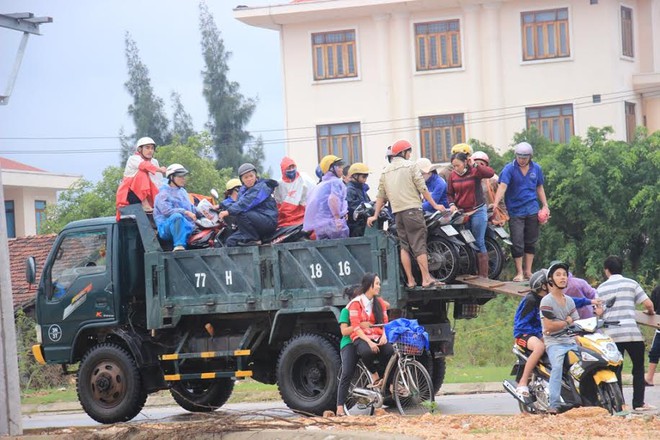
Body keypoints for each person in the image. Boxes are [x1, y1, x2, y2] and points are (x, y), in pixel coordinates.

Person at [367, 140, 445, 288]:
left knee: (405, 247)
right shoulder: (411, 166)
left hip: (398, 214)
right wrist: (435, 205)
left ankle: (410, 280)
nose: (409, 155)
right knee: (419, 244)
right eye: (408, 151)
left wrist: (375, 215)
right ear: (403, 153)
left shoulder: (385, 171)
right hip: (413, 211)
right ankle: (426, 278)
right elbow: (422, 188)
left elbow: (380, 196)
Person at [514, 268, 600, 399]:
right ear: (544, 285)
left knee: (576, 340)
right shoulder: (531, 300)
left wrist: (591, 301)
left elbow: (573, 301)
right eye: (551, 282)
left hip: (544, 332)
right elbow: (522, 324)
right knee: (539, 347)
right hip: (525, 334)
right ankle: (523, 382)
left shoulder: (553, 298)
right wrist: (540, 334)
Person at [597, 255, 656, 411]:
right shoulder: (631, 283)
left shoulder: (601, 288)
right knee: (637, 368)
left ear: (606, 270)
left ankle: (619, 404)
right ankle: (638, 403)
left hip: (611, 335)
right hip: (631, 333)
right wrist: (650, 311)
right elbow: (648, 304)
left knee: (616, 369)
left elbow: (598, 312)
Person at [492, 142, 549, 282]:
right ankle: (519, 272)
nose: (522, 159)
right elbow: (502, 186)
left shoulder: (536, 168)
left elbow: (539, 187)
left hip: (532, 208)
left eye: (525, 157)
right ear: (515, 155)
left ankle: (528, 271)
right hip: (515, 210)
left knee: (531, 240)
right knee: (517, 241)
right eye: (519, 156)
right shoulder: (509, 169)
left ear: (530, 156)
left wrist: (545, 205)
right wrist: (495, 203)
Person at [539, 261, 580, 414]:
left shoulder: (569, 300)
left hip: (570, 340)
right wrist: (566, 321)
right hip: (554, 342)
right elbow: (548, 327)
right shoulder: (546, 300)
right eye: (558, 275)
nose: (563, 278)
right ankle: (554, 404)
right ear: (551, 279)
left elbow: (575, 318)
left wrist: (566, 323)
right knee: (556, 367)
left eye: (564, 275)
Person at [446, 152, 495, 278]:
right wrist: (452, 204)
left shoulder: (474, 171)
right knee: (465, 242)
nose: (456, 168)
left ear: (465, 162)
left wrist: (474, 164)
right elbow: (449, 193)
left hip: (478, 210)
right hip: (462, 212)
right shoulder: (452, 176)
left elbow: (489, 173)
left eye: (458, 165)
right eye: (453, 166)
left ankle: (484, 275)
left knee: (479, 241)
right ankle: (471, 271)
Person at [347, 273, 394, 386]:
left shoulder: (380, 303)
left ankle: (390, 383)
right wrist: (369, 342)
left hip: (377, 335)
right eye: (377, 284)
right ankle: (374, 374)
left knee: (390, 351)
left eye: (379, 284)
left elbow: (384, 323)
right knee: (367, 352)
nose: (379, 286)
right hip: (361, 336)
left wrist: (384, 336)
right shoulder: (356, 303)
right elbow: (356, 326)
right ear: (369, 285)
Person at [219, 163, 278, 247]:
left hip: (267, 221)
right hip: (254, 224)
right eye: (246, 177)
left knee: (240, 212)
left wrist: (228, 211)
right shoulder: (242, 191)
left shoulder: (262, 187)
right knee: (230, 241)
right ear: (241, 179)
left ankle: (254, 239)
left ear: (255, 176)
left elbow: (246, 203)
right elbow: (237, 203)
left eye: (251, 176)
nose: (249, 179)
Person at [336, 284, 369, 416]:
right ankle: (339, 408)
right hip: (349, 343)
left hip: (363, 341)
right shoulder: (346, 311)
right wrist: (359, 325)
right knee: (347, 372)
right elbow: (344, 331)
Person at [116, 136, 166, 215]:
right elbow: (144, 166)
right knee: (142, 173)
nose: (150, 151)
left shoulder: (154, 162)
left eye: (152, 148)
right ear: (140, 149)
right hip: (131, 195)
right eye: (147, 148)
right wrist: (160, 169)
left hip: (148, 193)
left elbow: (158, 181)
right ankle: (145, 203)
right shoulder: (133, 159)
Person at [303, 155, 349, 240]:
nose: (342, 169)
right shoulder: (335, 182)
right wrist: (337, 219)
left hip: (320, 226)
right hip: (333, 224)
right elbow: (333, 199)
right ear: (331, 168)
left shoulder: (321, 185)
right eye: (339, 166)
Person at [153, 164, 197, 251]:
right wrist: (186, 212)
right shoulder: (163, 194)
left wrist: (205, 212)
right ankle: (179, 245)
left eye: (184, 176)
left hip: (186, 224)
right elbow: (167, 211)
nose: (183, 179)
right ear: (171, 177)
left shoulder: (183, 192)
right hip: (166, 227)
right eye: (180, 176)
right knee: (177, 216)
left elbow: (191, 207)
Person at [273, 157, 315, 227]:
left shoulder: (303, 179)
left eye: (293, 167)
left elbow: (309, 198)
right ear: (283, 170)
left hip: (302, 215)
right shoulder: (279, 184)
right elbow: (278, 203)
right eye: (288, 168)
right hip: (286, 219)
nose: (291, 170)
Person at [471, 151, 508, 226]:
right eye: (476, 164)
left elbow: (501, 200)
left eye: (481, 164)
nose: (479, 166)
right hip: (474, 215)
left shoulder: (493, 180)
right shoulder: (469, 179)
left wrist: (503, 216)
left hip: (492, 216)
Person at [346, 162, 371, 237]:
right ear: (355, 176)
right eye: (363, 177)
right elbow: (353, 207)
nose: (365, 179)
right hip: (355, 227)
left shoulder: (362, 189)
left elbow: (367, 203)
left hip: (363, 225)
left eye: (366, 177)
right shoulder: (350, 190)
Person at [646, 286, 660, 387]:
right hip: (659, 326)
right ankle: (649, 379)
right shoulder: (657, 290)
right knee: (654, 351)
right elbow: (653, 308)